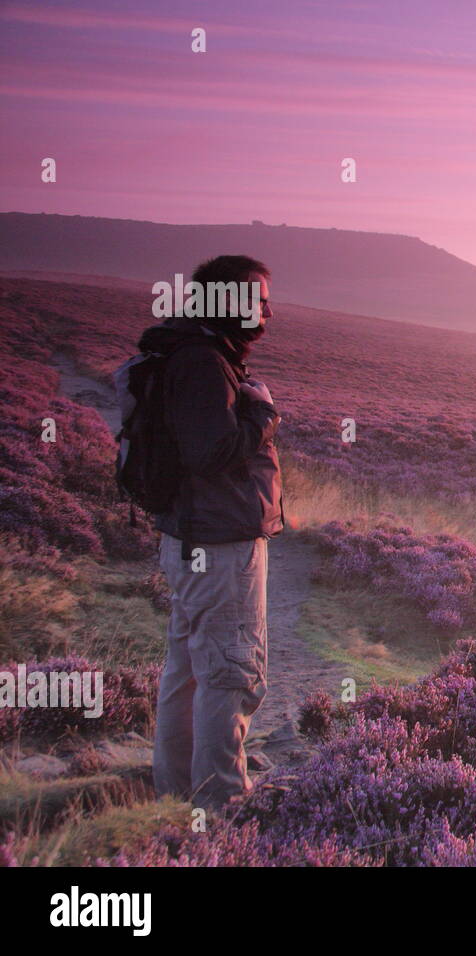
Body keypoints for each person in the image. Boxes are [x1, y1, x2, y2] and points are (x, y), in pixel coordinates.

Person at [144, 255, 283, 811]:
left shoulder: (188, 351)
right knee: (230, 672)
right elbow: (210, 452)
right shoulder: (205, 363)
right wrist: (262, 414)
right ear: (228, 301)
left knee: (190, 672)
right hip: (219, 548)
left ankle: (178, 796)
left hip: (191, 540)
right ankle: (222, 807)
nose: (268, 310)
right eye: (258, 298)